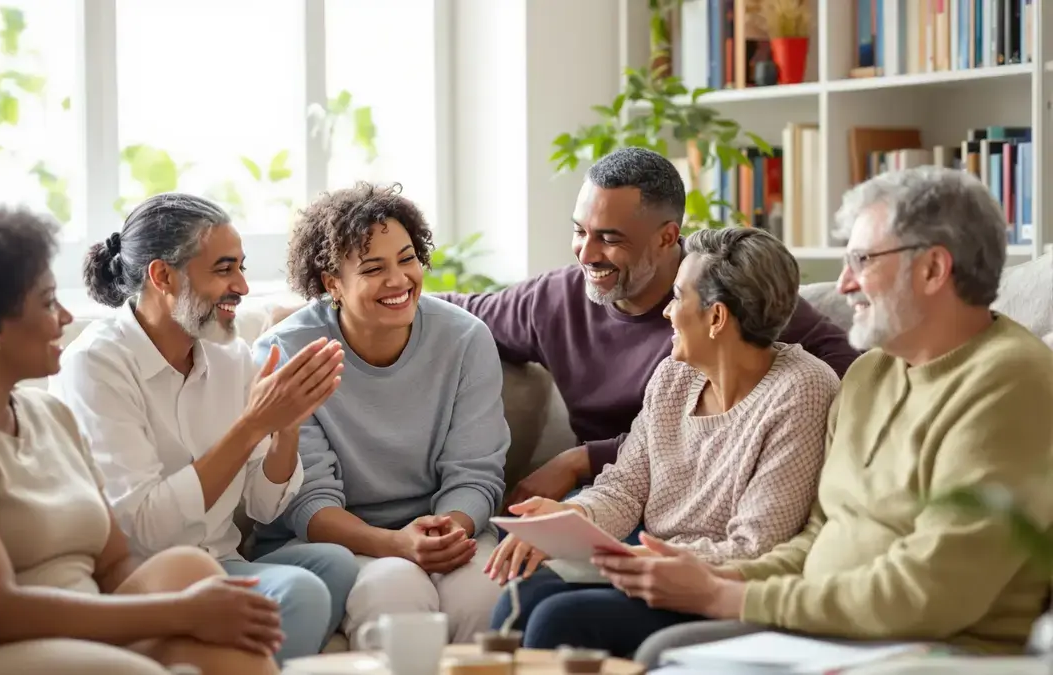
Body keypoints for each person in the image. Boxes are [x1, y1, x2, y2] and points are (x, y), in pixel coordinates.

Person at [585, 166, 1053, 664]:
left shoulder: (1011, 383)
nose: (845, 284)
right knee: (661, 652)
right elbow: (818, 536)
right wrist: (714, 575)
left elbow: (932, 591)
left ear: (934, 270)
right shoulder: (871, 374)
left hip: (940, 646)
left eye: (863, 260)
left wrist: (729, 596)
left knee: (665, 658)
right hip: (834, 629)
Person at [0, 205, 286, 675]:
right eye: (46, 302)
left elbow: (116, 570)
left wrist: (192, 605)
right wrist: (182, 614)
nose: (63, 317)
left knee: (189, 571)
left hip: (69, 635)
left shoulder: (48, 415)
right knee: (147, 656)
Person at [434, 147, 860, 508]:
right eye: (580, 231)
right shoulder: (556, 299)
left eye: (610, 238)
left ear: (666, 237)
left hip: (701, 497)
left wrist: (583, 458)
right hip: (608, 497)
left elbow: (848, 370)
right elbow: (457, 315)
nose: (587, 253)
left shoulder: (724, 286)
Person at [483, 227, 840, 655]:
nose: (667, 312)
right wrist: (569, 515)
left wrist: (644, 561)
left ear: (717, 317)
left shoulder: (802, 389)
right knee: (527, 593)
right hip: (650, 563)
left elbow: (756, 547)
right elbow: (624, 488)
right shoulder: (675, 376)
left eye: (677, 297)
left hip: (715, 584)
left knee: (559, 618)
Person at [47, 193, 359, 662]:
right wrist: (254, 425)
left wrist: (287, 427)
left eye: (242, 267)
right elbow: (143, 527)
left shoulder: (228, 355)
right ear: (162, 276)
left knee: (333, 564)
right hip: (149, 576)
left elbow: (264, 506)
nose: (243, 287)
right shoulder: (96, 365)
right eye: (224, 269)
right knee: (301, 592)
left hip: (222, 562)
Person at [250, 182, 510, 647]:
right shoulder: (286, 351)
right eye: (374, 268)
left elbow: (476, 473)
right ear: (333, 283)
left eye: (407, 259)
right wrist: (395, 544)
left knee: (485, 595)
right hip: (336, 544)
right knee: (394, 591)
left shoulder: (466, 340)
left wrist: (447, 531)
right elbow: (308, 501)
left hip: (445, 527)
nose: (399, 280)